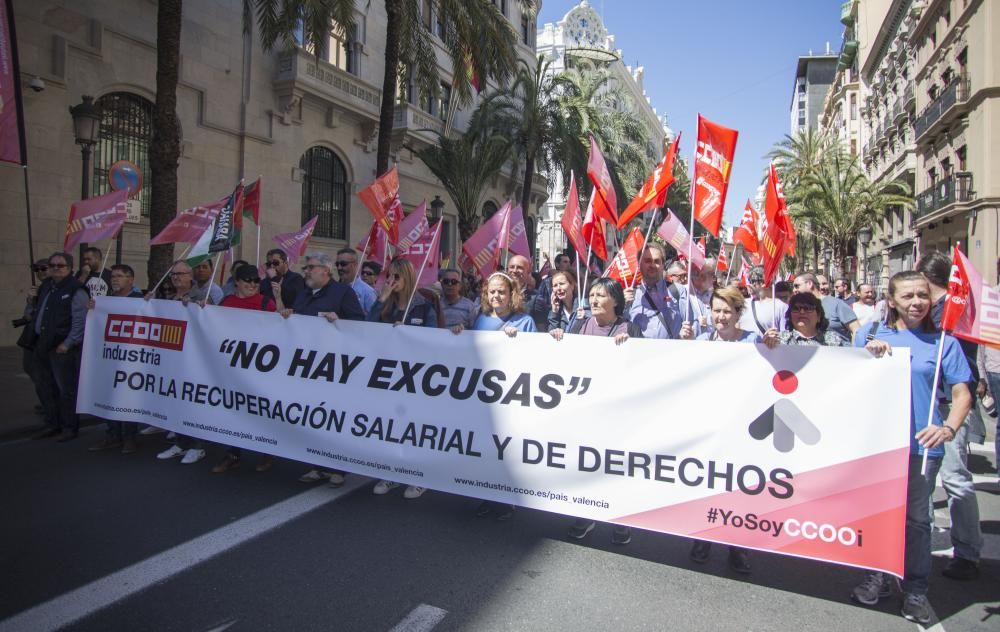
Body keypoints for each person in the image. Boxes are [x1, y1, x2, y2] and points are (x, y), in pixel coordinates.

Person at [850, 271, 972, 624]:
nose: (917, 302)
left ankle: (916, 590)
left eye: (922, 295)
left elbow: (961, 393)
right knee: (876, 515)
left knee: (917, 522)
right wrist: (869, 359)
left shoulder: (944, 342)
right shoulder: (867, 336)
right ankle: (877, 574)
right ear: (891, 301)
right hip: (875, 445)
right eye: (908, 296)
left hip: (921, 447)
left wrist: (948, 428)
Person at [682, 285, 777, 572]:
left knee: (740, 487)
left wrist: (772, 347)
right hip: (709, 425)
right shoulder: (701, 338)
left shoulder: (754, 341)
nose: (721, 317)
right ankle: (704, 536)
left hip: (743, 425)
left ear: (738, 313)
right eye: (716, 311)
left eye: (727, 311)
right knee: (708, 482)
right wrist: (682, 346)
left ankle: (739, 546)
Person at [551, 278, 642, 545]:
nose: (593, 300)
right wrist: (559, 338)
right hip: (586, 410)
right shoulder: (580, 325)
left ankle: (620, 519)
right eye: (591, 295)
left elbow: (644, 365)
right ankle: (585, 514)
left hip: (618, 413)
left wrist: (631, 348)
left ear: (615, 300)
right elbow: (565, 358)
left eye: (600, 295)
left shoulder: (631, 329)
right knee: (587, 464)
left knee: (617, 466)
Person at [915, 252, 984, 580]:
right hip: (928, 401)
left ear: (927, 278)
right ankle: (920, 548)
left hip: (948, 405)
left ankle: (967, 551)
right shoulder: (933, 311)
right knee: (923, 481)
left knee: (954, 479)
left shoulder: (954, 313)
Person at [452, 271, 537, 520]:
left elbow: (535, 358)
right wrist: (460, 331)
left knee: (505, 450)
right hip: (483, 396)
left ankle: (506, 498)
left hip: (511, 397)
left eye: (502, 291)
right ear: (486, 295)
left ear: (512, 294)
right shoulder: (479, 318)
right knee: (484, 447)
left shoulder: (525, 321)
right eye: (492, 292)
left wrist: (518, 341)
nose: (497, 296)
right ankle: (486, 494)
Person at [281, 252, 367, 487]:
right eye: (306, 267)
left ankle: (338, 467)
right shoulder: (304, 294)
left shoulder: (343, 293)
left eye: (310, 267)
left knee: (333, 418)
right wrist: (288, 314)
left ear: (325, 271)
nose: (306, 271)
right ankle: (316, 465)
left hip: (335, 368)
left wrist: (340, 320)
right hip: (307, 367)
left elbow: (360, 324)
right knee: (313, 417)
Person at [368, 258, 438, 499]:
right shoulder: (385, 304)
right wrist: (382, 299)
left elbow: (433, 339)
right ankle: (390, 472)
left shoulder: (423, 306)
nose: (391, 281)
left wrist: (409, 334)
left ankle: (419, 476)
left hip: (414, 376)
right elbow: (367, 328)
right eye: (389, 276)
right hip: (388, 375)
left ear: (407, 278)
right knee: (390, 426)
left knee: (414, 426)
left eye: (396, 277)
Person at [212, 265, 277, 473]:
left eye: (256, 281)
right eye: (247, 280)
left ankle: (267, 452)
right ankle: (233, 453)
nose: (252, 284)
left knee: (261, 411)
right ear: (237, 282)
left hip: (261, 368)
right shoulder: (226, 303)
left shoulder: (266, 303)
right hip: (233, 368)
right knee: (234, 411)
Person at [152, 261, 211, 463]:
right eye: (173, 274)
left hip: (195, 360)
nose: (176, 277)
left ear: (190, 276)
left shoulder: (202, 296)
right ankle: (180, 441)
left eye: (180, 274)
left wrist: (203, 307)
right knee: (176, 401)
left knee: (193, 402)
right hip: (173, 359)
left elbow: (212, 319)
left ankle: (197, 445)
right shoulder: (167, 299)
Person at [87, 264, 146, 454]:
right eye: (113, 276)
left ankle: (129, 437)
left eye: (119, 276)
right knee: (110, 395)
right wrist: (94, 310)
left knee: (127, 397)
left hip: (132, 358)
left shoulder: (139, 300)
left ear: (131, 279)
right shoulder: (106, 301)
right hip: (110, 356)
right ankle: (113, 434)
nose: (114, 279)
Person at [30, 252, 88, 442]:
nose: (56, 268)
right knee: (46, 387)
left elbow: (80, 321)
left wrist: (68, 343)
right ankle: (52, 423)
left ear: (70, 268)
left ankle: (69, 427)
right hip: (42, 345)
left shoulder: (76, 289)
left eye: (60, 265)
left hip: (62, 348)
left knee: (66, 390)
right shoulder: (47, 286)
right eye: (52, 265)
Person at [624, 243, 691, 339]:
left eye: (656, 261)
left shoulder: (678, 291)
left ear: (663, 265)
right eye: (647, 261)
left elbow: (690, 324)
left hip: (673, 352)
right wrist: (623, 305)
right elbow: (621, 328)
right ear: (639, 264)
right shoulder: (630, 296)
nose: (652, 265)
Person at [793, 272, 858, 342]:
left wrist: (855, 350)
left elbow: (856, 330)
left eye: (797, 286)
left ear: (809, 284)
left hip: (838, 351)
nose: (794, 290)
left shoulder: (836, 304)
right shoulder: (798, 309)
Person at [777, 292, 846, 347]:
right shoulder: (779, 340)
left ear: (818, 316)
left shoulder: (833, 339)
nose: (802, 312)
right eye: (796, 309)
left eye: (808, 308)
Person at [738, 268, 788, 337]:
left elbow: (785, 335)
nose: (749, 284)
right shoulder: (743, 303)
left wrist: (775, 338)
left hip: (767, 347)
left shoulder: (781, 306)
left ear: (763, 283)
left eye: (752, 281)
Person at [336, 247, 377, 314]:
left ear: (355, 265)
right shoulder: (334, 288)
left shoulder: (367, 292)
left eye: (343, 264)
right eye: (337, 264)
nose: (339, 267)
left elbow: (374, 318)